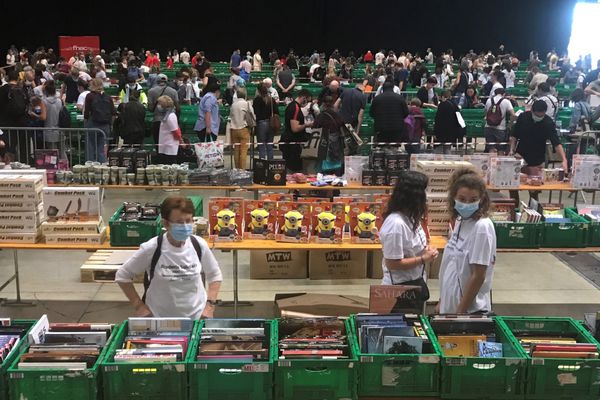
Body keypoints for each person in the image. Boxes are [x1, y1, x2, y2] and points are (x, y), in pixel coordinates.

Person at [116, 196, 222, 319]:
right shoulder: (152, 248)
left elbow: (215, 274)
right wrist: (139, 306)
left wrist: (209, 306)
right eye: (179, 222)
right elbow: (123, 275)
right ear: (166, 224)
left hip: (195, 318)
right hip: (160, 319)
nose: (185, 226)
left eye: (188, 221)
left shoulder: (198, 245)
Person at [437, 167, 496, 314]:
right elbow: (452, 264)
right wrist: (442, 300)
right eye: (462, 199)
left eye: (473, 200)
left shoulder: (482, 227)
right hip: (450, 305)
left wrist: (460, 312)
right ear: (453, 198)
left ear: (482, 199)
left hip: (468, 311)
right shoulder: (460, 220)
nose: (467, 204)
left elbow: (478, 276)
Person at [380, 170, 439, 312]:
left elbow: (414, 248)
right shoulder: (396, 224)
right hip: (399, 293)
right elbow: (393, 263)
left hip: (414, 285)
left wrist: (427, 251)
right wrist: (423, 259)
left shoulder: (411, 218)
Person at [510, 100, 568, 174]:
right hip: (520, 156)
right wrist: (512, 150)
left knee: (536, 180)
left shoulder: (548, 123)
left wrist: (564, 159)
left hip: (538, 160)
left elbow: (556, 143)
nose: (539, 117)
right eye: (537, 115)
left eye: (541, 116)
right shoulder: (523, 117)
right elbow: (514, 136)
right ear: (532, 110)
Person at [279, 89, 313, 172]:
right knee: (293, 170)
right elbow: (295, 128)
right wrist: (307, 125)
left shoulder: (293, 106)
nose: (307, 104)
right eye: (307, 101)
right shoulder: (295, 108)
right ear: (303, 98)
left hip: (291, 143)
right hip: (292, 145)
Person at [84, 78, 114, 163]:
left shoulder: (89, 96)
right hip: (105, 126)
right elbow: (113, 112)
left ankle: (90, 168)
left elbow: (86, 113)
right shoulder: (108, 97)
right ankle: (102, 168)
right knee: (102, 149)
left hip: (93, 124)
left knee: (90, 148)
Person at [312, 96, 345, 174]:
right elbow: (342, 124)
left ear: (323, 104)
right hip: (336, 142)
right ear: (333, 104)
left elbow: (314, 127)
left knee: (324, 167)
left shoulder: (321, 116)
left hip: (323, 143)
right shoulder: (337, 115)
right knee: (336, 163)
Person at [148, 74, 179, 145]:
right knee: (169, 143)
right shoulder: (173, 91)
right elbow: (178, 108)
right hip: (170, 121)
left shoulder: (151, 91)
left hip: (157, 120)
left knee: (158, 143)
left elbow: (150, 108)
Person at [229, 87, 255, 169]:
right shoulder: (247, 103)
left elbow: (231, 116)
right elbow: (252, 115)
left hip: (234, 129)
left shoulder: (233, 105)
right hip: (244, 129)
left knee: (236, 150)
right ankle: (242, 171)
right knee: (243, 151)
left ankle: (236, 169)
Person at [484, 88, 515, 154]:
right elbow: (513, 115)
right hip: (500, 129)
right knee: (501, 149)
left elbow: (486, 113)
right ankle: (500, 163)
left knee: (491, 149)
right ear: (504, 94)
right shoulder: (506, 101)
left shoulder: (489, 100)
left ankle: (491, 163)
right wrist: (509, 125)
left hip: (488, 127)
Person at [253, 83, 279, 160]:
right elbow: (276, 112)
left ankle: (262, 165)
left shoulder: (257, 99)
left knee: (261, 145)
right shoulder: (271, 99)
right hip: (271, 123)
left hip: (261, 124)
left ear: (258, 90)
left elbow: (255, 112)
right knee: (270, 145)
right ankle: (270, 163)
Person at [155, 95, 182, 164]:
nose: (158, 106)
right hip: (165, 145)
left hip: (170, 146)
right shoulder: (166, 115)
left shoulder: (170, 116)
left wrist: (181, 141)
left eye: (159, 104)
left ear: (164, 105)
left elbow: (176, 131)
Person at [41, 81, 65, 157]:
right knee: (62, 153)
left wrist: (34, 114)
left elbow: (43, 117)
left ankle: (55, 168)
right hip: (60, 130)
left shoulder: (44, 102)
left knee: (52, 154)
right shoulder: (59, 101)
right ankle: (65, 167)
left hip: (48, 130)